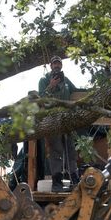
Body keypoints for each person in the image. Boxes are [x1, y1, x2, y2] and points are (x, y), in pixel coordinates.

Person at [38, 55, 80, 192]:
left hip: (67, 119)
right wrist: (51, 86)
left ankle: (75, 181)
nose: (57, 66)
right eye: (54, 64)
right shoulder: (43, 80)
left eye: (59, 64)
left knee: (71, 151)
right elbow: (41, 99)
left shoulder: (66, 80)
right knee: (56, 152)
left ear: (61, 65)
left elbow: (78, 91)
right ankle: (57, 183)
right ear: (50, 66)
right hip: (52, 120)